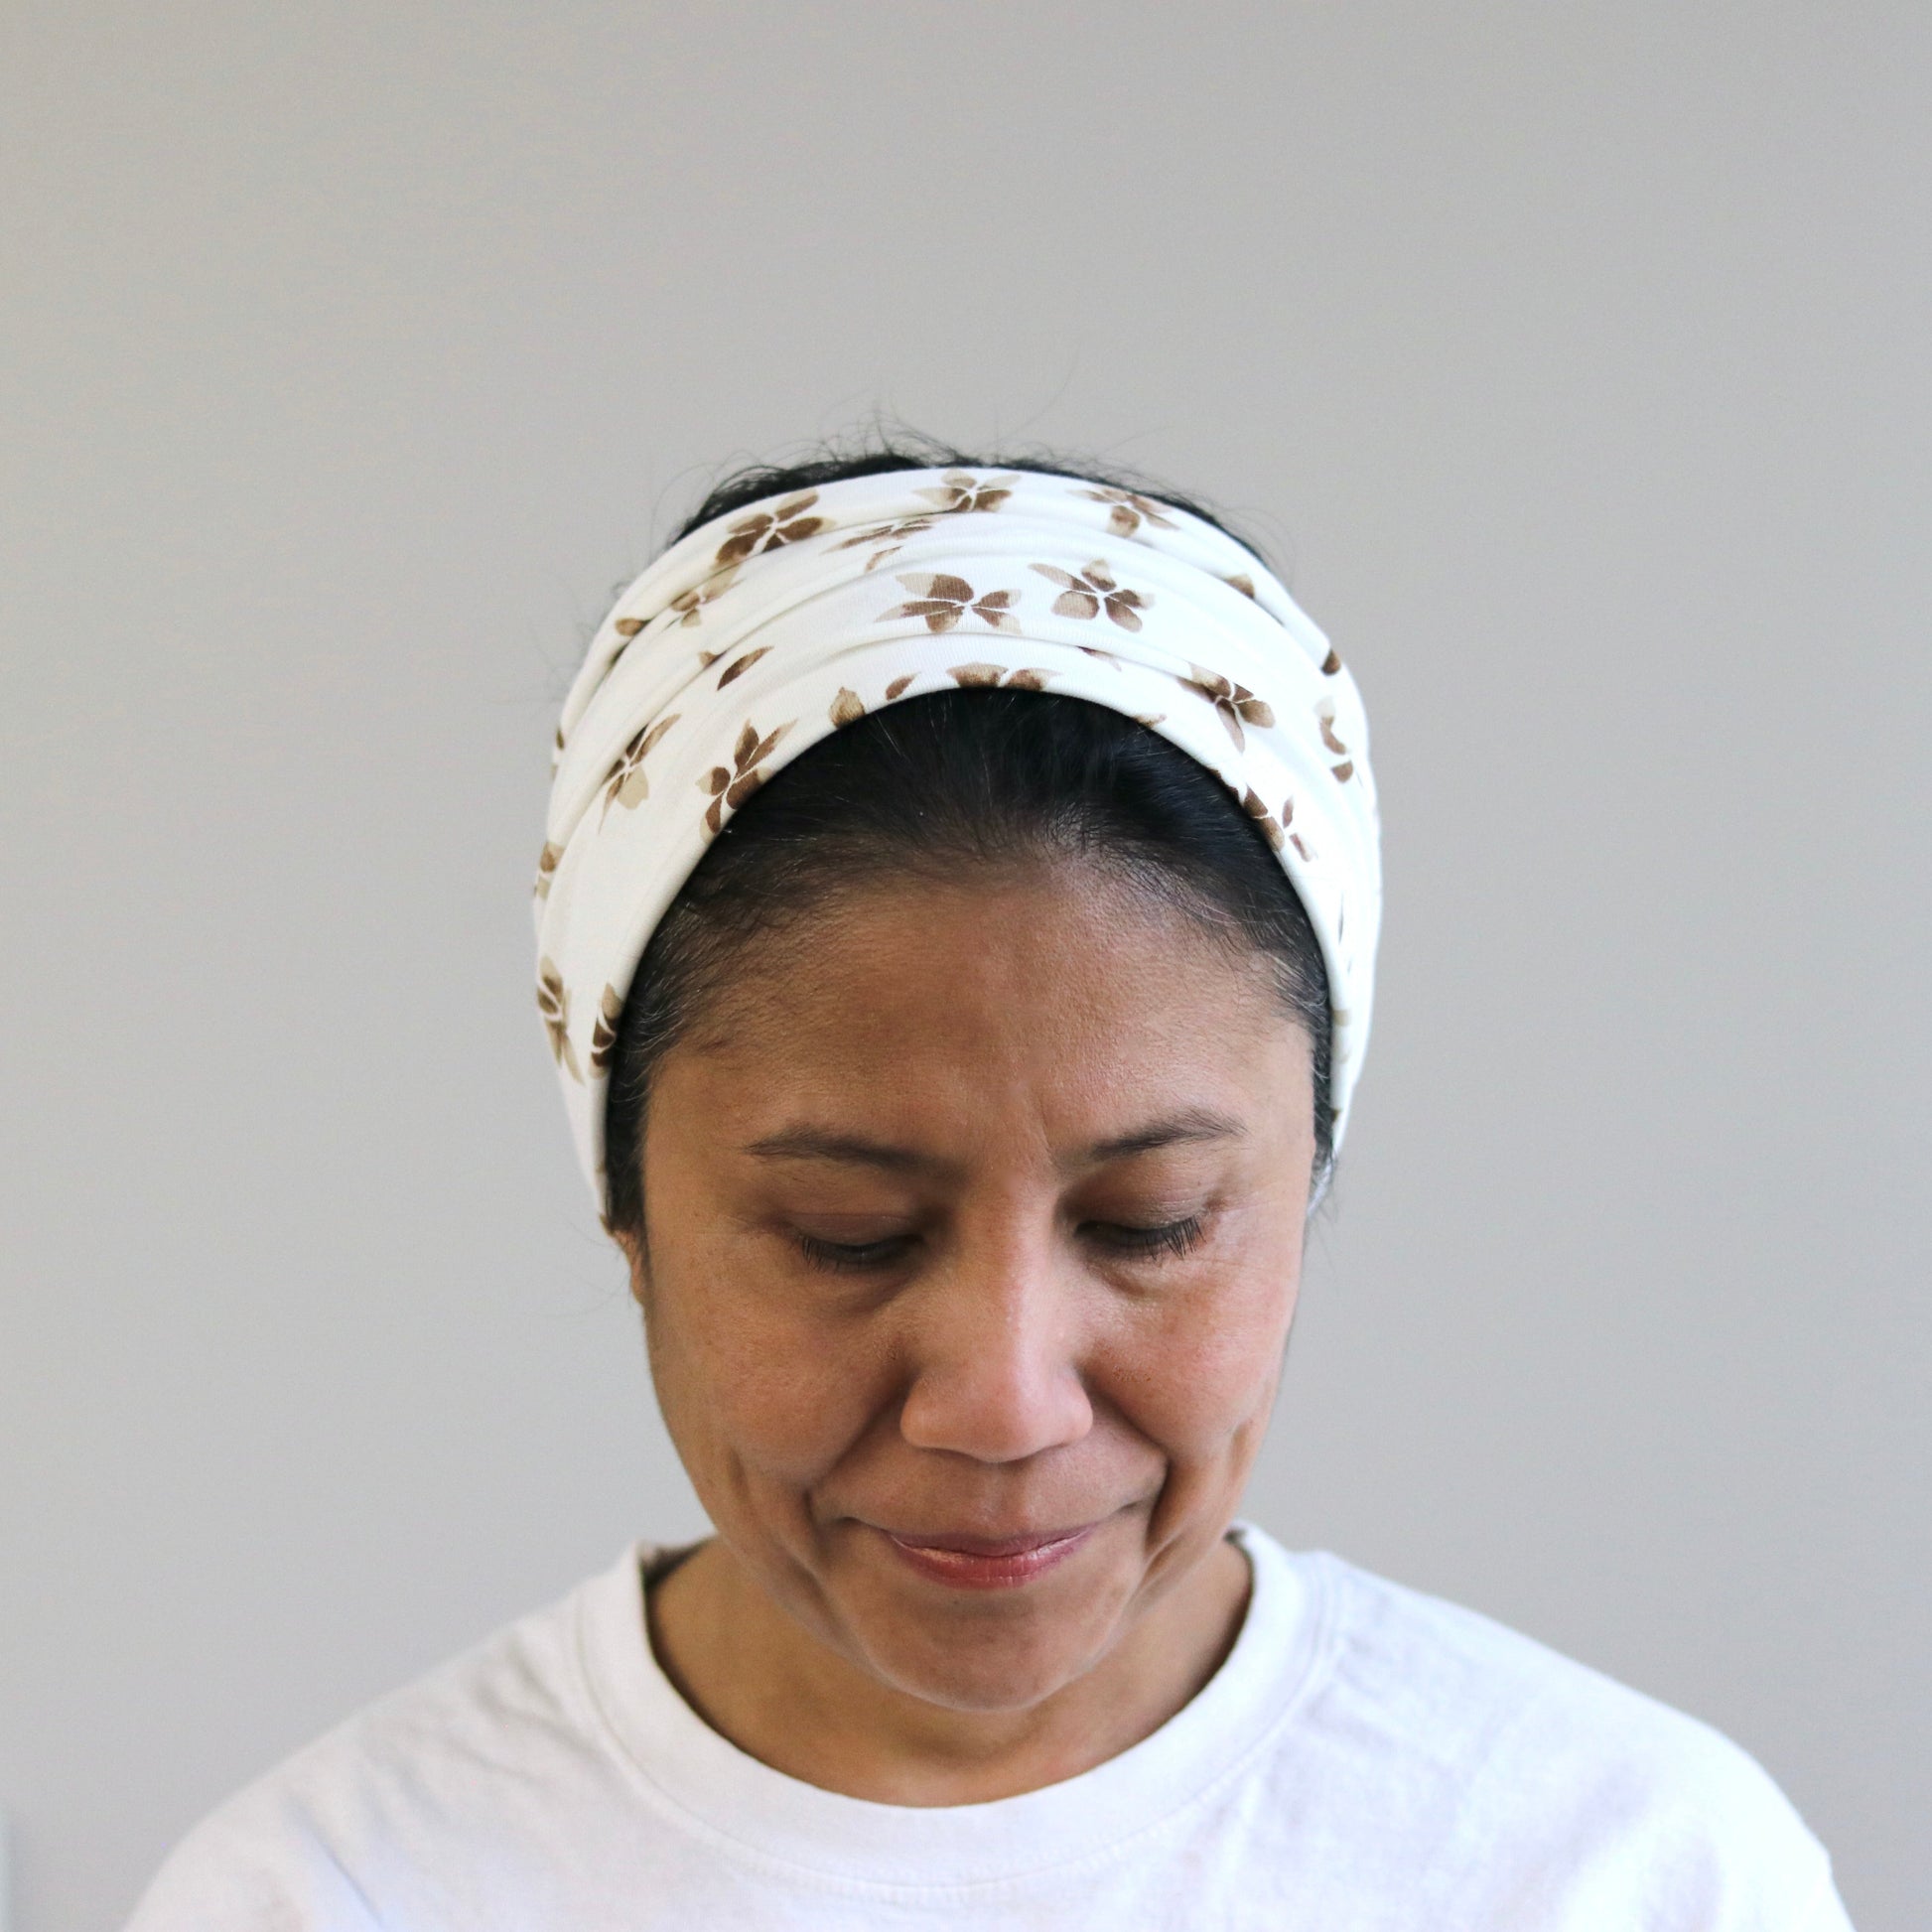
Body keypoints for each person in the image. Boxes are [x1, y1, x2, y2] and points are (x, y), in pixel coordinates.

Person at [128, 443, 1854, 1929]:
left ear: (1305, 1178)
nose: (1004, 1404)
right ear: (626, 1207)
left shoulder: (1621, 1870)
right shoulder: (334, 1893)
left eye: (1152, 1222)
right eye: (848, 1235)